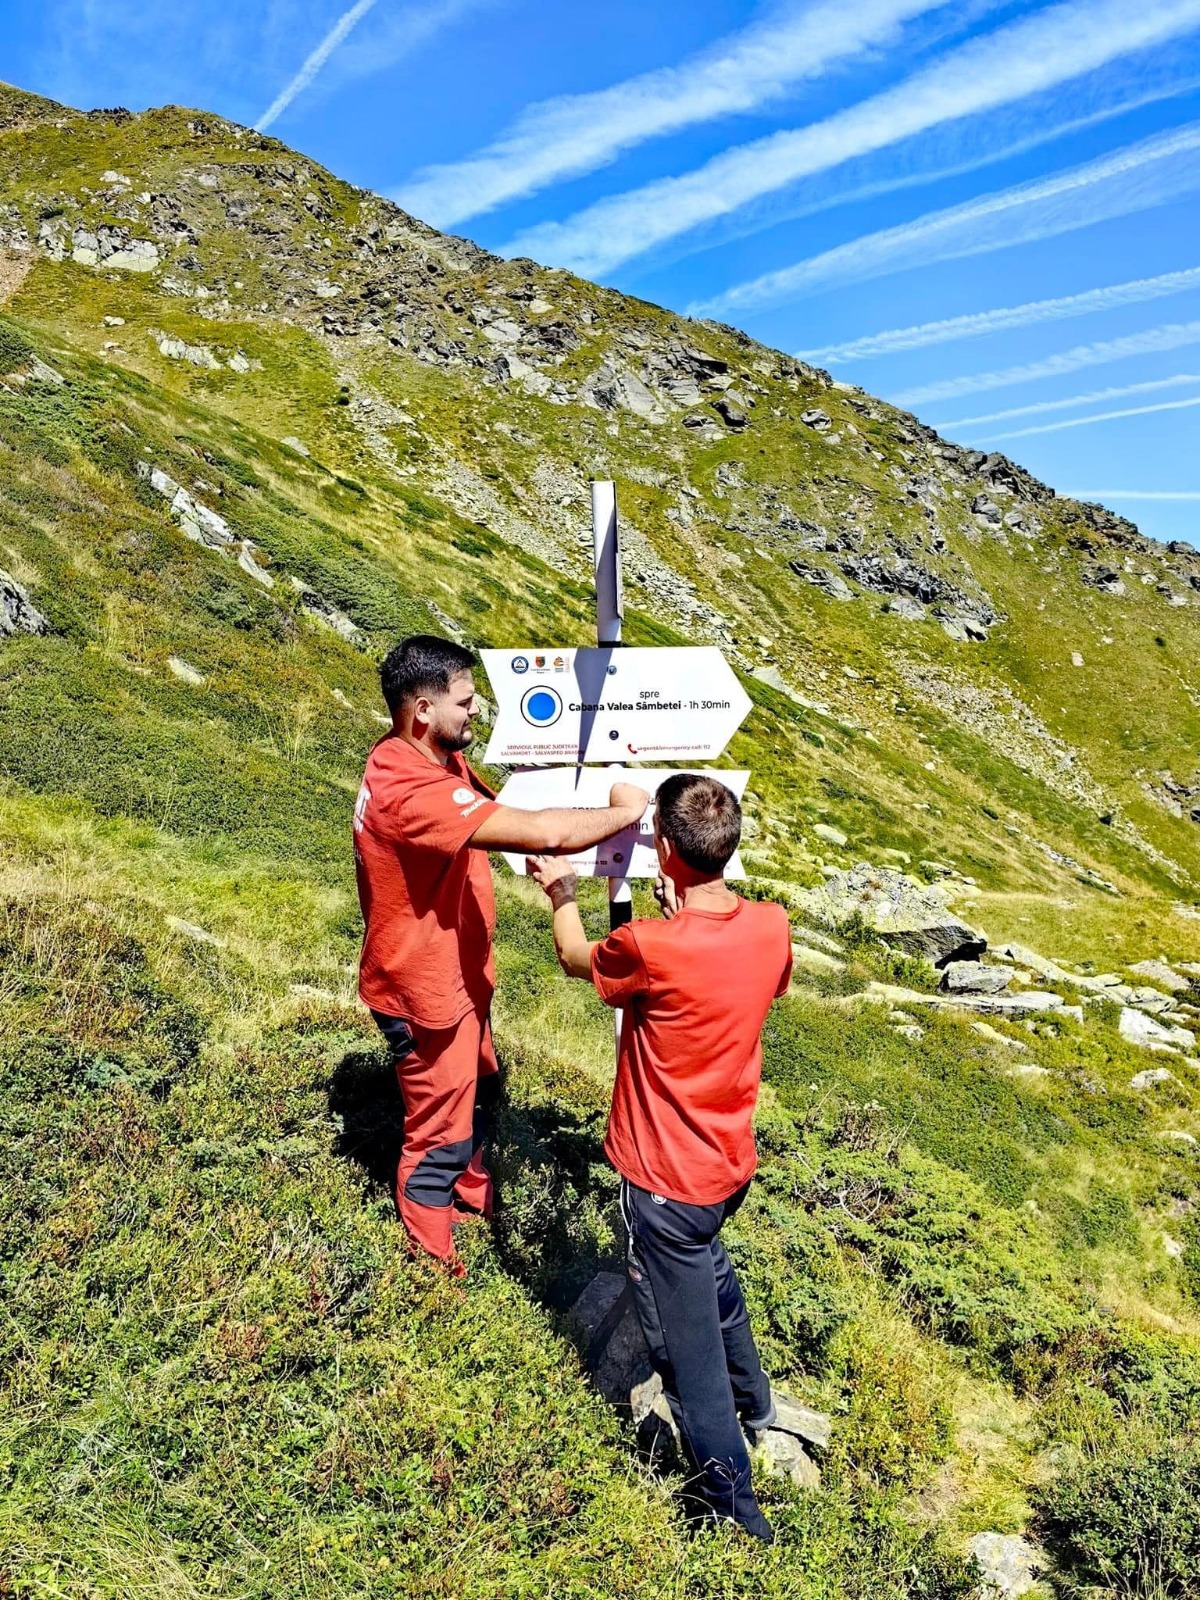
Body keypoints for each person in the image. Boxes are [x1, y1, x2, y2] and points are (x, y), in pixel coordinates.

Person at [529, 773, 792, 1541]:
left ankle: (736, 1517)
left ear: (665, 850)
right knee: (712, 1272)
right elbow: (760, 976)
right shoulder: (771, 925)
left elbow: (580, 958)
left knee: (690, 1354)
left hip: (664, 1179)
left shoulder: (650, 945)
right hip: (727, 1163)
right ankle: (762, 1404)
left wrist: (561, 890)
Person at [354, 634, 648, 1274]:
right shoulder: (409, 788)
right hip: (424, 992)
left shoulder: (428, 756)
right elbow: (543, 831)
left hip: (456, 978)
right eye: (465, 700)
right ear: (423, 710)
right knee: (438, 1136)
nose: (477, 709)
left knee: (483, 1090)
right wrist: (628, 806)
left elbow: (499, 809)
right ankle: (434, 1270)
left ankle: (472, 1190)